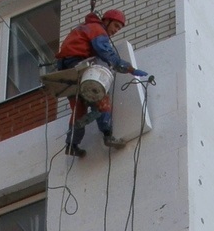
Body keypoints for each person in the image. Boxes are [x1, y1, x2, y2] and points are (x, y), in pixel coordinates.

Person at [55, 9, 149, 156]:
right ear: (106, 21)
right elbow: (106, 53)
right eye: (116, 26)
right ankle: (107, 135)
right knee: (101, 97)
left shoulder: (84, 28)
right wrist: (130, 69)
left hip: (66, 73)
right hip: (78, 65)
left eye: (119, 28)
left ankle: (71, 145)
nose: (115, 30)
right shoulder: (98, 30)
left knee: (79, 108)